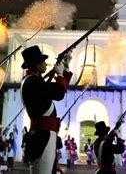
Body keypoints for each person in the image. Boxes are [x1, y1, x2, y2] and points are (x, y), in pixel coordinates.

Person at [20, 45, 73, 174]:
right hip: (43, 135)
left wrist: (65, 67)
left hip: (42, 134)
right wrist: (60, 74)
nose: (45, 64)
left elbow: (55, 89)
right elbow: (58, 93)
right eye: (42, 61)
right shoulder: (33, 81)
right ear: (36, 65)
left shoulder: (32, 80)